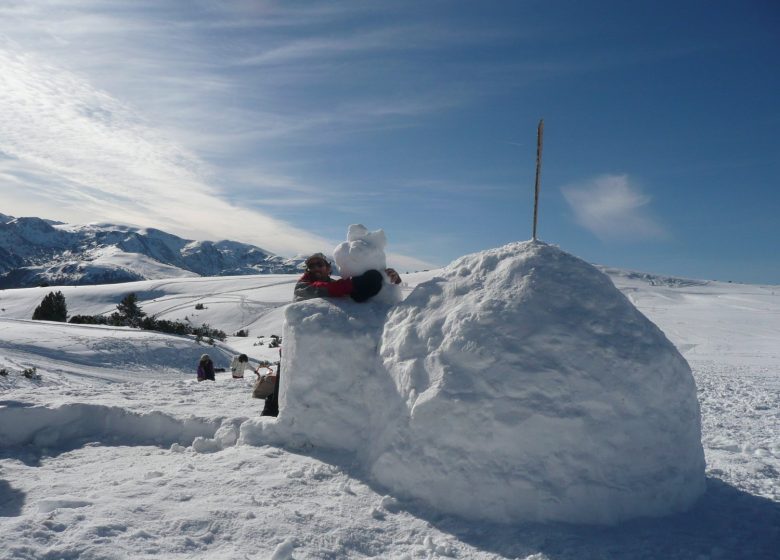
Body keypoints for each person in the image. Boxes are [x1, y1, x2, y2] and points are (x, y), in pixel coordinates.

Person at [293, 252, 402, 303]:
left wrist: (389, 278)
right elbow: (321, 289)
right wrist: (354, 283)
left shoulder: (332, 284)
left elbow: (337, 288)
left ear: (328, 268)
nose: (315, 268)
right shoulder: (302, 287)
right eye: (311, 266)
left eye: (320, 264)